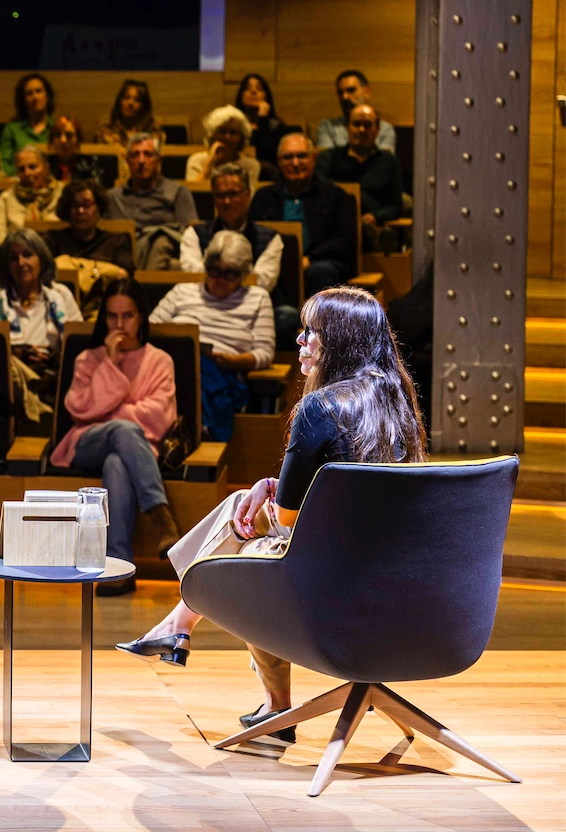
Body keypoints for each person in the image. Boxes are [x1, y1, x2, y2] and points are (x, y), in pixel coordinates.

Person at [119, 286, 426, 743]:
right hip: (397, 591)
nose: (299, 341)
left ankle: (185, 626)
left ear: (339, 340)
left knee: (247, 551)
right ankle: (241, 680)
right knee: (246, 510)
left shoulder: (319, 408)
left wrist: (266, 495)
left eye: (311, 332)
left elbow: (288, 520)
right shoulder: (397, 405)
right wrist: (264, 490)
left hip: (331, 600)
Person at [49, 278, 179, 590]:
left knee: (116, 464)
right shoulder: (89, 359)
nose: (119, 324)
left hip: (136, 449)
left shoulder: (159, 360)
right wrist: (109, 363)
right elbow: (77, 408)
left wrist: (108, 412)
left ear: (141, 316)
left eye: (128, 315)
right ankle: (162, 516)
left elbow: (159, 416)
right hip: (85, 442)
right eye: (111, 316)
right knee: (123, 430)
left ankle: (119, 567)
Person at [150, 232, 275, 442]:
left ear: (243, 274)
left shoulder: (257, 298)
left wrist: (233, 362)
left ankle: (195, 432)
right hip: (172, 366)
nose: (220, 280)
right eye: (214, 271)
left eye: (230, 274)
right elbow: (150, 329)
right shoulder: (182, 292)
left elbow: (265, 352)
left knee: (202, 371)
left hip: (225, 373)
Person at [0, 229, 80, 421]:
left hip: (50, 378)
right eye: (13, 258)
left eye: (28, 255)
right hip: (4, 382)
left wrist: (55, 358)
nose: (21, 264)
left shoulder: (60, 295)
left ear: (42, 259)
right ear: (6, 265)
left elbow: (79, 346)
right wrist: (17, 353)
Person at [180, 162, 290, 339]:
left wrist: (217, 278)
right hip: (206, 305)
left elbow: (263, 281)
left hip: (250, 307)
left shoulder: (270, 238)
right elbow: (192, 275)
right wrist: (234, 278)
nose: (227, 201)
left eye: (233, 194)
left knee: (287, 317)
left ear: (248, 194)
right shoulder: (195, 233)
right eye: (220, 195)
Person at [249, 133, 356, 295]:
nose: (295, 163)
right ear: (279, 162)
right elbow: (252, 235)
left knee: (320, 271)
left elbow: (345, 239)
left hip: (320, 264)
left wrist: (310, 258)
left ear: (314, 158)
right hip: (273, 264)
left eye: (302, 156)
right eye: (288, 157)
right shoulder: (263, 196)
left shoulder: (335, 195)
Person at [316, 103, 403, 254]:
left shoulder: (389, 161)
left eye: (367, 125)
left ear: (377, 131)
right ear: (347, 128)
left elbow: (395, 205)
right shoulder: (328, 158)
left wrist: (375, 216)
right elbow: (320, 192)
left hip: (372, 221)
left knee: (365, 227)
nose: (361, 130)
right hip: (336, 222)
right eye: (356, 124)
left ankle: (375, 237)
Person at [105, 132, 196, 270]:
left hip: (161, 252)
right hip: (122, 255)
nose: (141, 161)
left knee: (161, 243)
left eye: (148, 154)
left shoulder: (178, 192)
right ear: (127, 160)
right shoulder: (112, 197)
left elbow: (189, 235)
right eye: (135, 155)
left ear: (159, 160)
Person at [45, 179, 135, 282]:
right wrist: (104, 270)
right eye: (75, 205)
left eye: (87, 205)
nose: (80, 211)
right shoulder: (54, 239)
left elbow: (124, 275)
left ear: (99, 208)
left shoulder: (117, 240)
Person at [0, 145, 64, 253]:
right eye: (21, 169)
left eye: (33, 167)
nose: (27, 173)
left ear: (46, 167)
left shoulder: (63, 194)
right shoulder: (7, 197)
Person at [315, 69, 395, 153]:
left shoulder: (384, 129)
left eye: (351, 90)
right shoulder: (327, 127)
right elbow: (326, 163)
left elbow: (384, 164)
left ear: (367, 92)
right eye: (340, 93)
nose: (345, 97)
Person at [236, 73, 300, 171]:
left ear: (266, 96)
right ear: (241, 95)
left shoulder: (277, 128)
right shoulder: (233, 127)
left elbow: (266, 154)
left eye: (259, 88)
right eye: (247, 88)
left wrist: (263, 118)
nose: (253, 91)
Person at [185, 106, 261, 189]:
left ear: (241, 138)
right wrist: (209, 162)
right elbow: (193, 192)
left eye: (233, 133)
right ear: (212, 135)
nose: (227, 137)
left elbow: (247, 196)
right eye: (222, 131)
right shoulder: (196, 161)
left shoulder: (250, 166)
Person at [0, 73, 57, 172]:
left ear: (47, 96)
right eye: (29, 93)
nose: (35, 97)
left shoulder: (57, 128)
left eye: (39, 91)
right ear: (23, 100)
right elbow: (4, 165)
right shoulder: (12, 130)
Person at [97, 79, 163, 148]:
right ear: (119, 101)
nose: (130, 103)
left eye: (137, 100)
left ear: (144, 106)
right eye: (126, 98)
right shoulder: (106, 133)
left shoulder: (153, 132)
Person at [46, 115, 103, 184]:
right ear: (52, 140)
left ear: (78, 141)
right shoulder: (46, 165)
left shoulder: (89, 164)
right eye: (58, 135)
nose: (63, 140)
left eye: (69, 135)